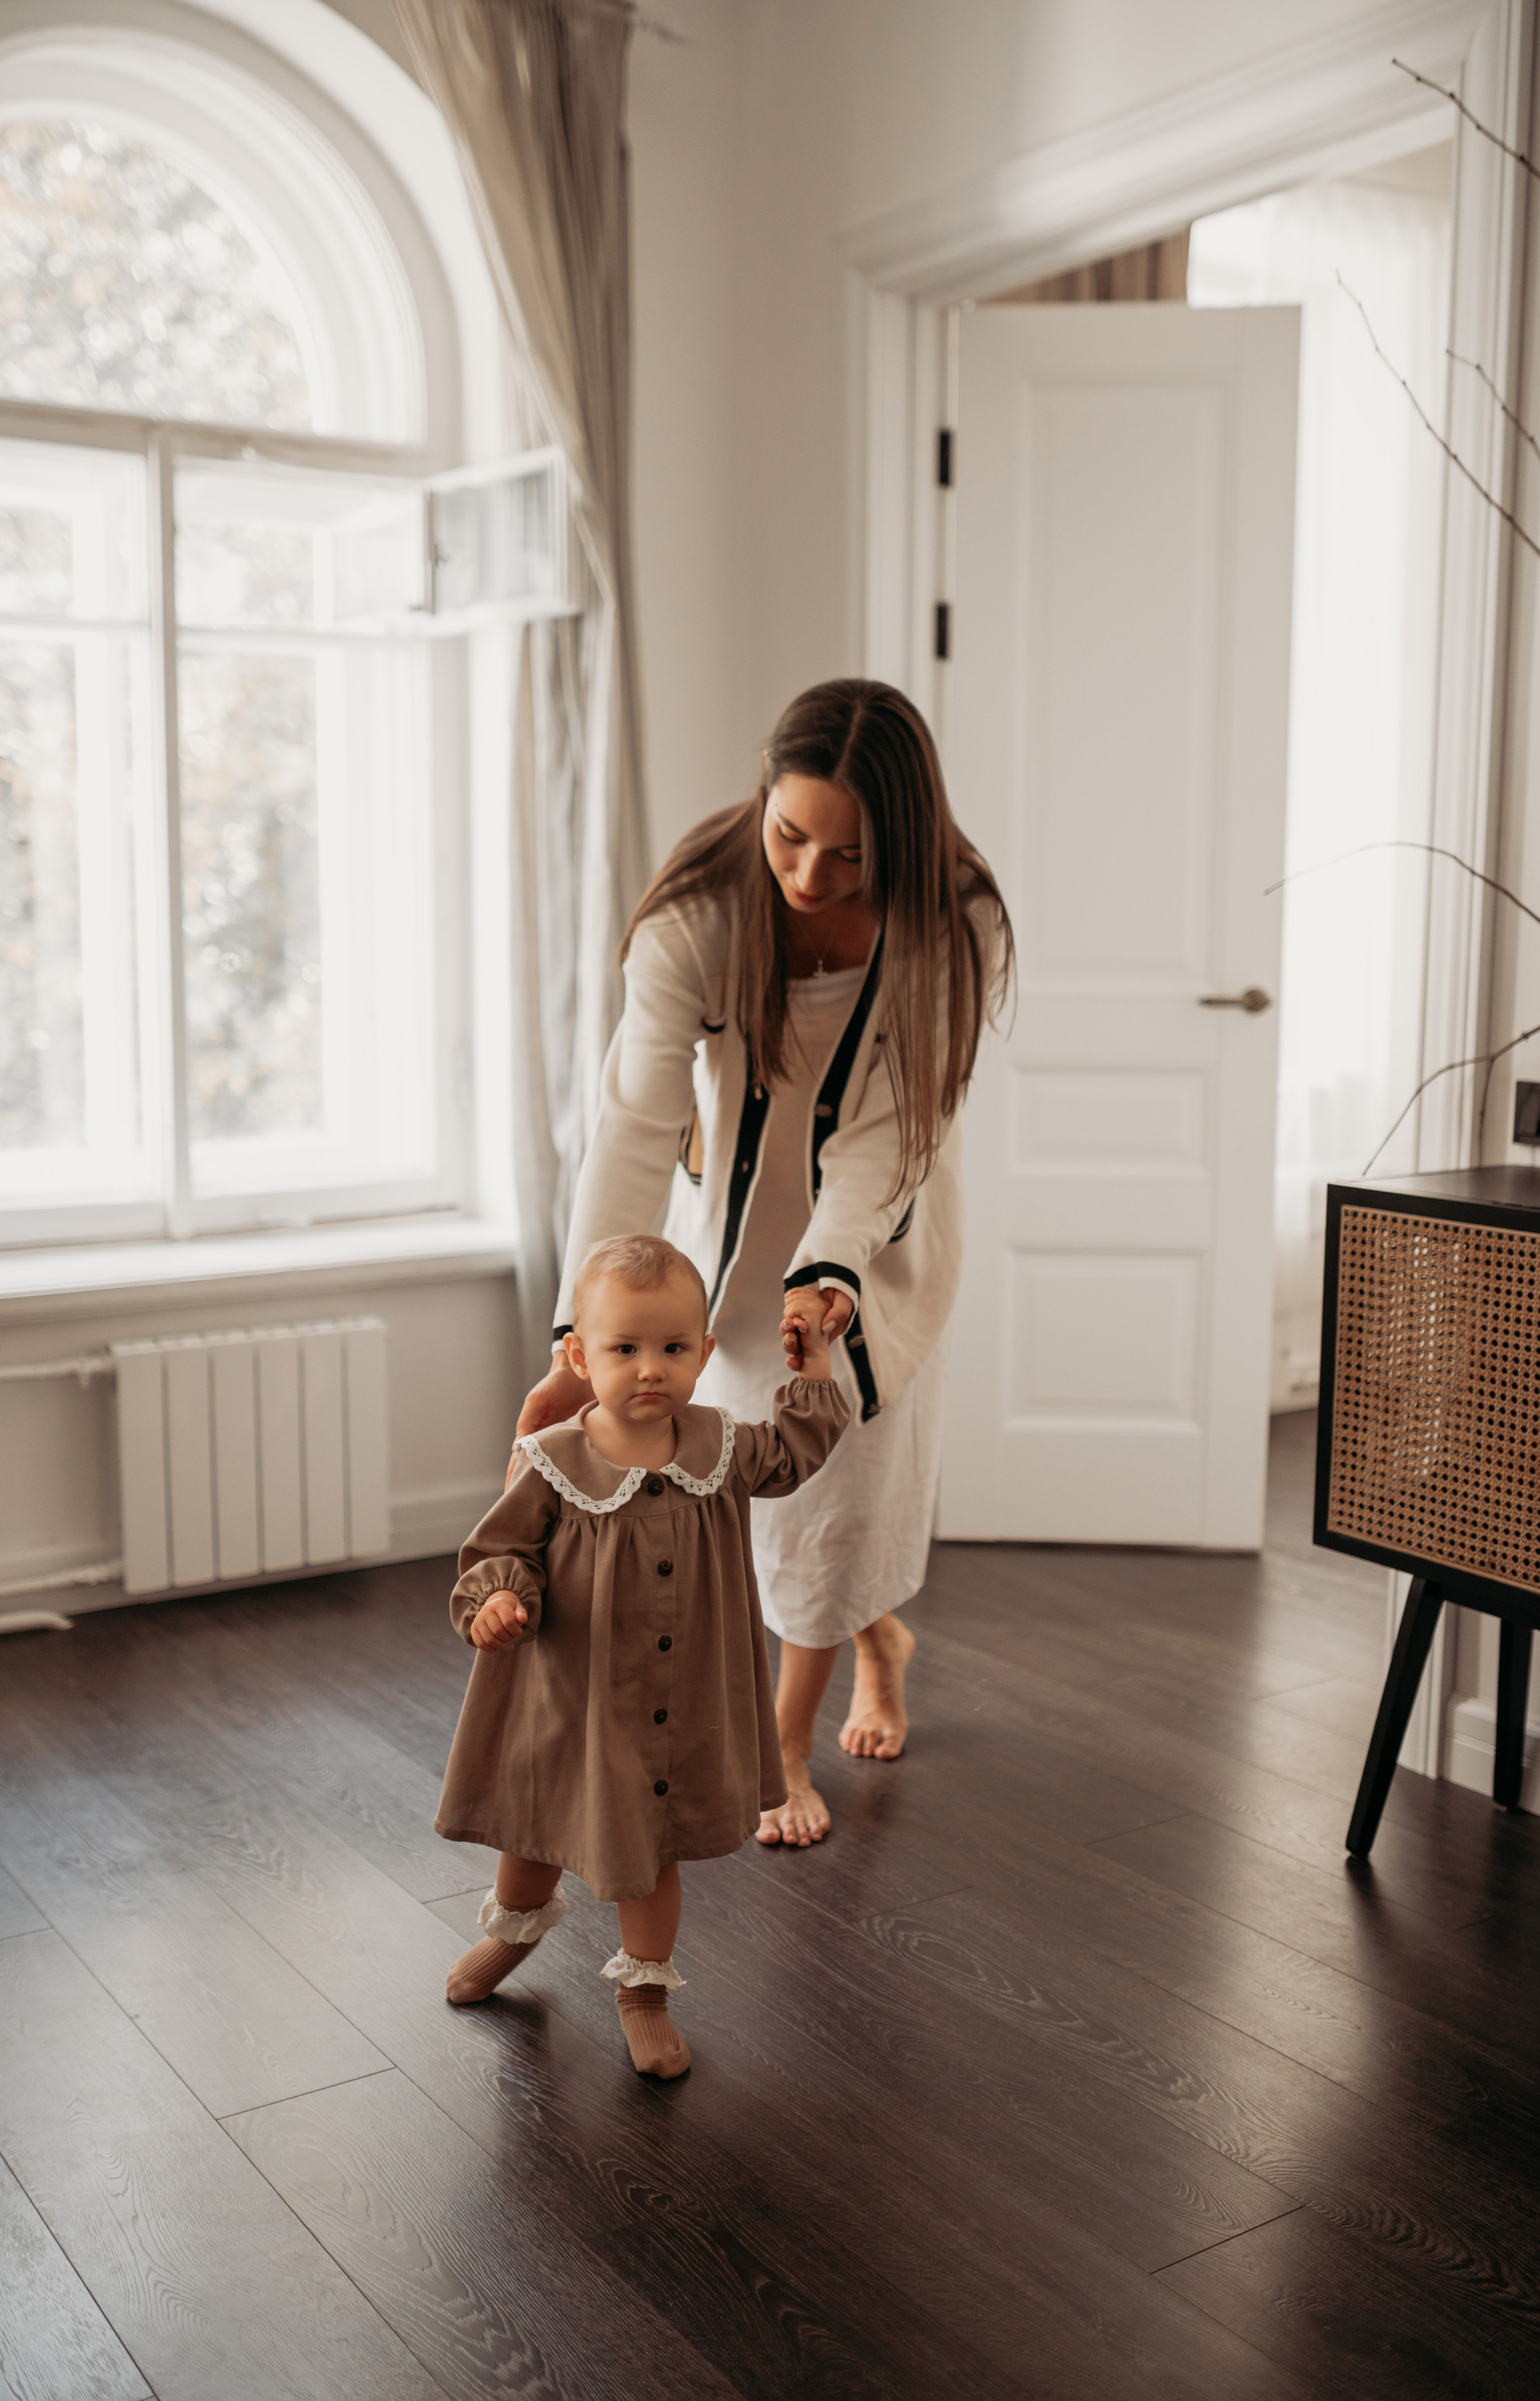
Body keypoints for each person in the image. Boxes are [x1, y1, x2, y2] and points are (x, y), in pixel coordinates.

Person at [517, 679, 1011, 1846]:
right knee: (744, 1498)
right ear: (762, 802)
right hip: (719, 1250)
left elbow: (893, 1135)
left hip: (876, 1244)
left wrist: (829, 1273)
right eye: (789, 835)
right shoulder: (697, 915)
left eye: (849, 856)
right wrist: (577, 1338)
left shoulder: (957, 918)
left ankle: (781, 1749)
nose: (809, 877)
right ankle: (877, 1638)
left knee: (840, 1488)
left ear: (903, 841)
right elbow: (634, 1133)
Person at [436, 1233, 849, 2078]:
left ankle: (644, 1995)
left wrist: (814, 1372)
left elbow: (797, 1452)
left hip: (676, 1699)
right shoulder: (553, 1461)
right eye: (626, 1349)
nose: (651, 1368)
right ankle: (512, 1932)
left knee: (649, 1849)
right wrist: (501, 1602)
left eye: (672, 1348)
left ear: (702, 1352)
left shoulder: (721, 1449)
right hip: (572, 1696)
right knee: (534, 1830)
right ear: (583, 1357)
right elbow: (496, 1552)